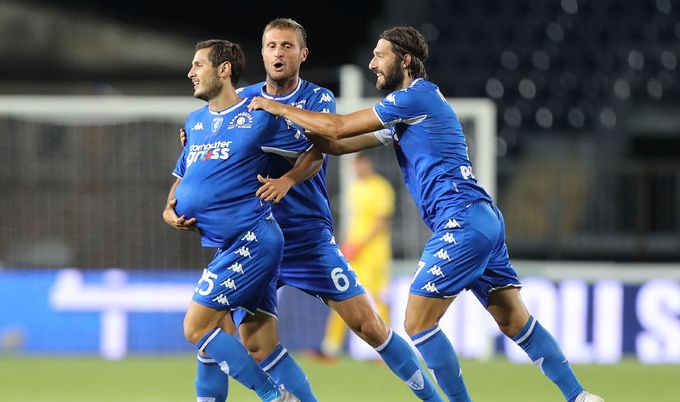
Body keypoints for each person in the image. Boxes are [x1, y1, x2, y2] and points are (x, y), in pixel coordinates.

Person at [248, 26, 605, 402]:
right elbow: (337, 143)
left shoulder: (414, 97)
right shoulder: (408, 113)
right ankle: (579, 396)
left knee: (418, 322)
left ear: (405, 60)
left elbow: (337, 125)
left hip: (461, 219)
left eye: (380, 55)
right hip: (482, 217)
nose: (372, 64)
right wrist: (287, 132)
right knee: (513, 319)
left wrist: (276, 106)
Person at [187, 19, 443, 402]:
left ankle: (433, 399)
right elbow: (217, 130)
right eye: (271, 45)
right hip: (253, 238)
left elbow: (318, 150)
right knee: (252, 343)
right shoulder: (245, 99)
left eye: (287, 46)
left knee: (368, 325)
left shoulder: (317, 99)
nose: (278, 53)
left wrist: (288, 180)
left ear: (302, 54)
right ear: (262, 52)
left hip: (306, 237)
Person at [163, 39, 303, 402]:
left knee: (196, 327)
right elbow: (183, 177)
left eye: (198, 65)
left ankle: (275, 396)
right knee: (239, 341)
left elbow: (316, 145)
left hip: (253, 240)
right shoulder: (194, 122)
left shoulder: (257, 116)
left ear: (223, 70)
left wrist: (287, 180)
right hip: (227, 245)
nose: (190, 72)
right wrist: (169, 209)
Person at [321, 153, 395, 358]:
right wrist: (347, 244)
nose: (357, 169)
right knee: (342, 294)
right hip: (354, 252)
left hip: (375, 255)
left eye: (360, 165)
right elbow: (356, 222)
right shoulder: (355, 188)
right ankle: (330, 348)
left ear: (368, 164)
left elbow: (382, 221)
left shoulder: (381, 187)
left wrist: (359, 244)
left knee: (379, 299)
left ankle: (387, 348)